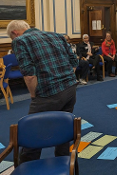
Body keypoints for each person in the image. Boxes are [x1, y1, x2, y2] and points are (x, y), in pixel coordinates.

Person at [7, 20, 78, 163]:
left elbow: (29, 75)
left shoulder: (20, 41)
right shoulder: (57, 35)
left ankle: (26, 170)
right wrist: (65, 79)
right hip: (70, 89)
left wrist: (34, 96)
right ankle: (64, 164)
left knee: (32, 136)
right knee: (63, 129)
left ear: (15, 33)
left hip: (47, 93)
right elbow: (74, 62)